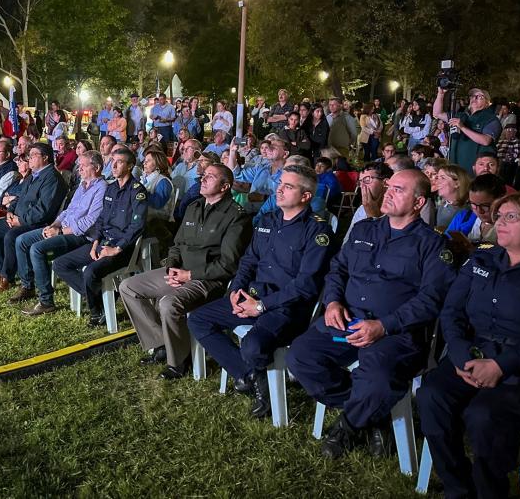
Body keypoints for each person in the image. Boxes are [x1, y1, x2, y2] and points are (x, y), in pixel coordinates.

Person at [416, 192, 520, 499]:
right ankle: (457, 487)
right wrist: (459, 355)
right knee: (431, 395)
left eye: (512, 217)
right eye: (500, 217)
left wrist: (500, 366)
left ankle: (489, 489)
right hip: (474, 354)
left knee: (484, 415)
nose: (501, 223)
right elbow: (452, 313)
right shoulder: (482, 258)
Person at [287, 169, 455, 459]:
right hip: (345, 321)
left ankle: (348, 426)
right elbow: (337, 269)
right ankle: (375, 416)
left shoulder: (433, 244)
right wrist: (332, 302)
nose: (388, 192)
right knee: (301, 356)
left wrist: (384, 326)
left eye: (399, 189)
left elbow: (432, 299)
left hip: (396, 334)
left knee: (378, 378)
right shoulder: (365, 229)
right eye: (389, 186)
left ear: (418, 203)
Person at [189, 165, 336, 416]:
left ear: (306, 196)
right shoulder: (268, 220)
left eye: (288, 186)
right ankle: (253, 378)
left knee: (253, 347)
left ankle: (256, 381)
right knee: (198, 319)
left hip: (286, 306)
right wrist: (235, 291)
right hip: (252, 296)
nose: (279, 189)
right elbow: (248, 261)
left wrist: (261, 306)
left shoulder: (318, 230)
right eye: (280, 183)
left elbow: (305, 285)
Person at [123, 163, 252, 379]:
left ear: (225, 186)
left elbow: (228, 264)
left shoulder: (236, 216)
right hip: (180, 271)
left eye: (210, 177)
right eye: (204, 175)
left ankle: (179, 362)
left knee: (168, 304)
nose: (203, 179)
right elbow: (177, 244)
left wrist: (189, 275)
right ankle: (162, 342)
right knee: (128, 287)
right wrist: (172, 265)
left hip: (209, 279)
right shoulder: (194, 207)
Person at [53, 148, 148, 327]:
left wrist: (116, 248)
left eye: (119, 161)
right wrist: (95, 242)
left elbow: (137, 226)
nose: (113, 165)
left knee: (90, 271)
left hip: (123, 248)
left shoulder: (137, 191)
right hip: (102, 243)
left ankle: (96, 313)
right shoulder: (111, 188)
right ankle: (105, 299)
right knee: (60, 264)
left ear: (130, 166)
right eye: (112, 160)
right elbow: (101, 220)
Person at [13, 151, 108, 315]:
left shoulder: (102, 188)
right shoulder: (82, 186)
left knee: (37, 249)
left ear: (97, 167)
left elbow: (90, 222)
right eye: (79, 166)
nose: (79, 169)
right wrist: (55, 224)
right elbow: (67, 211)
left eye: (84, 166)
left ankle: (46, 301)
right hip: (62, 228)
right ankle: (27, 286)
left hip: (80, 236)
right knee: (21, 240)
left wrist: (61, 231)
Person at [0, 142, 67, 292]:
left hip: (37, 223)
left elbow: (43, 210)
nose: (29, 159)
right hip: (18, 218)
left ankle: (8, 278)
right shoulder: (32, 176)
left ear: (46, 158)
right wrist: (10, 212)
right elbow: (19, 197)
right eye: (30, 155)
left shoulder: (52, 178)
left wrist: (20, 221)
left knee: (11, 236)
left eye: (34, 155)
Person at [433, 87, 501, 175]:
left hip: (475, 170)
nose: (474, 98)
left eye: (479, 97)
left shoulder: (491, 119)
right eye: (472, 96)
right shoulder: (461, 115)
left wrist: (462, 127)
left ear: (487, 102)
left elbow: (486, 141)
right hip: (455, 167)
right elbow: (437, 113)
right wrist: (440, 94)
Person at [445, 173, 505, 247]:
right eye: (473, 204)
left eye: (485, 206)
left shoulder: (508, 228)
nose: (479, 211)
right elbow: (444, 243)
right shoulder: (463, 217)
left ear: (501, 200)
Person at [342, 161, 394, 244]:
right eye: (360, 182)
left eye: (367, 180)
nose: (362, 186)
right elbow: (347, 241)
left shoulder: (396, 212)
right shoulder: (362, 209)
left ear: (386, 183)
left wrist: (372, 218)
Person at [434, 164, 471, 231]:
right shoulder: (443, 205)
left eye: (442, 178)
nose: (437, 182)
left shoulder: (467, 210)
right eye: (437, 178)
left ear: (457, 183)